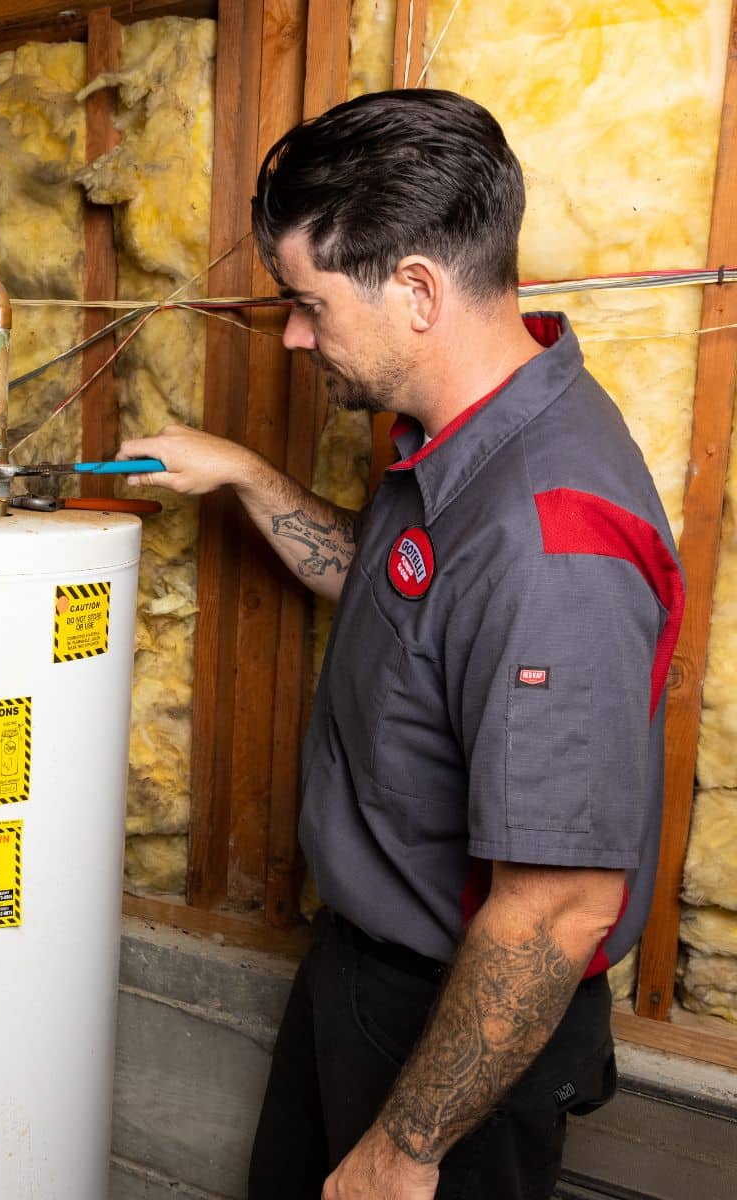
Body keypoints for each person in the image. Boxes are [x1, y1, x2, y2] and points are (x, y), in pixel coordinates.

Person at [118, 90, 684, 1200]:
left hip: (464, 1026)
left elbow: (559, 906)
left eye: (307, 304)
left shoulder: (550, 541)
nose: (291, 334)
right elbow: (402, 594)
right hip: (367, 974)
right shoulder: (459, 436)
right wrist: (244, 474)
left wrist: (404, 1148)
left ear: (416, 289)